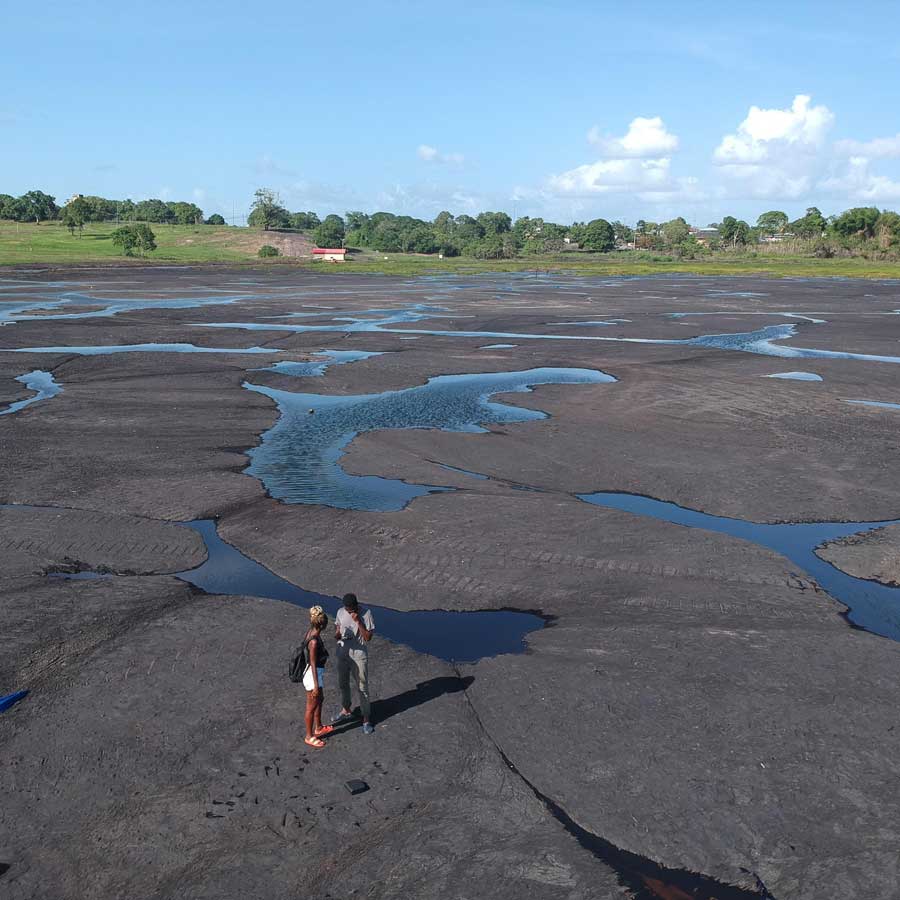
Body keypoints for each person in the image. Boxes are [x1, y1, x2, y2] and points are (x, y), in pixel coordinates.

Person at [333, 593, 376, 734]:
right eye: (347, 609)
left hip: (359, 656)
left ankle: (366, 718)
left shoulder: (366, 614)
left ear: (356, 606)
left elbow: (368, 638)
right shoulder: (340, 612)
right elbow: (337, 629)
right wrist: (337, 634)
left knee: (362, 687)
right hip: (343, 653)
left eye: (351, 609)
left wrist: (358, 622)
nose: (349, 611)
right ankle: (346, 709)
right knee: (343, 684)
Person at [303, 605, 332, 749]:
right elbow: (313, 664)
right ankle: (309, 736)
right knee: (311, 706)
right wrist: (315, 686)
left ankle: (319, 727)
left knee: (320, 699)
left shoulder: (311, 632)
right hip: (312, 675)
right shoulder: (314, 641)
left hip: (314, 673)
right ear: (322, 624)